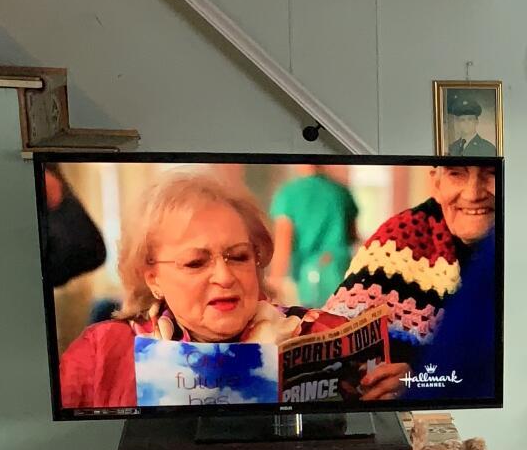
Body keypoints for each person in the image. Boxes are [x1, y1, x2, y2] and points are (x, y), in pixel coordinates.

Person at [58, 167, 407, 411]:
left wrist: (403, 392)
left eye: (239, 257)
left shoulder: (326, 332)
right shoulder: (102, 354)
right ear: (153, 278)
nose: (225, 277)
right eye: (196, 262)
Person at [321, 163, 498, 352]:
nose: (473, 194)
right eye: (456, 174)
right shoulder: (397, 240)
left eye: (492, 173)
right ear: (436, 184)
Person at [269, 164, 359, 306]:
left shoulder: (288, 194)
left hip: (310, 277)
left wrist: (274, 283)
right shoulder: (341, 192)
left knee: (315, 323)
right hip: (341, 271)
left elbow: (283, 243)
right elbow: (353, 236)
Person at [441, 90, 499, 158]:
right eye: (462, 120)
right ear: (458, 123)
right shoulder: (452, 148)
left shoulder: (488, 148)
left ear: (476, 121)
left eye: (470, 119)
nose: (466, 123)